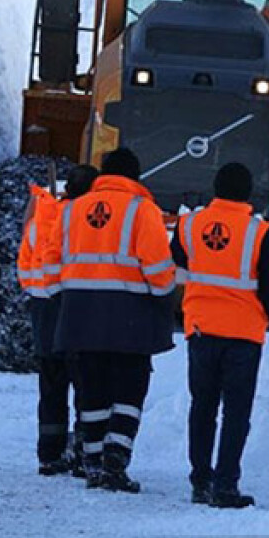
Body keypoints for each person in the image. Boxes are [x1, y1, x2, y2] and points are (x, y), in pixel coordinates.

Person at [49, 147, 177, 493]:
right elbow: (157, 269)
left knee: (92, 392)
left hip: (79, 314)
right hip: (129, 318)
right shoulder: (142, 210)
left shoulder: (71, 210)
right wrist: (166, 289)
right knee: (128, 392)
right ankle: (115, 462)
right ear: (134, 177)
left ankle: (91, 463)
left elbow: (51, 261)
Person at [170, 162, 269, 508]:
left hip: (200, 329)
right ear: (248, 192)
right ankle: (225, 485)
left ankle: (200, 481)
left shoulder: (190, 225)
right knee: (236, 413)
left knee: (202, 407)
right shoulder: (259, 233)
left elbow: (176, 261)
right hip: (243, 335)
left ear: (215, 188)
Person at [15, 163, 97, 476]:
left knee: (51, 386)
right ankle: (81, 452)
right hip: (71, 306)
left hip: (41, 309)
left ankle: (49, 453)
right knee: (84, 383)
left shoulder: (42, 216)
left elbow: (24, 266)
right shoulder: (78, 221)